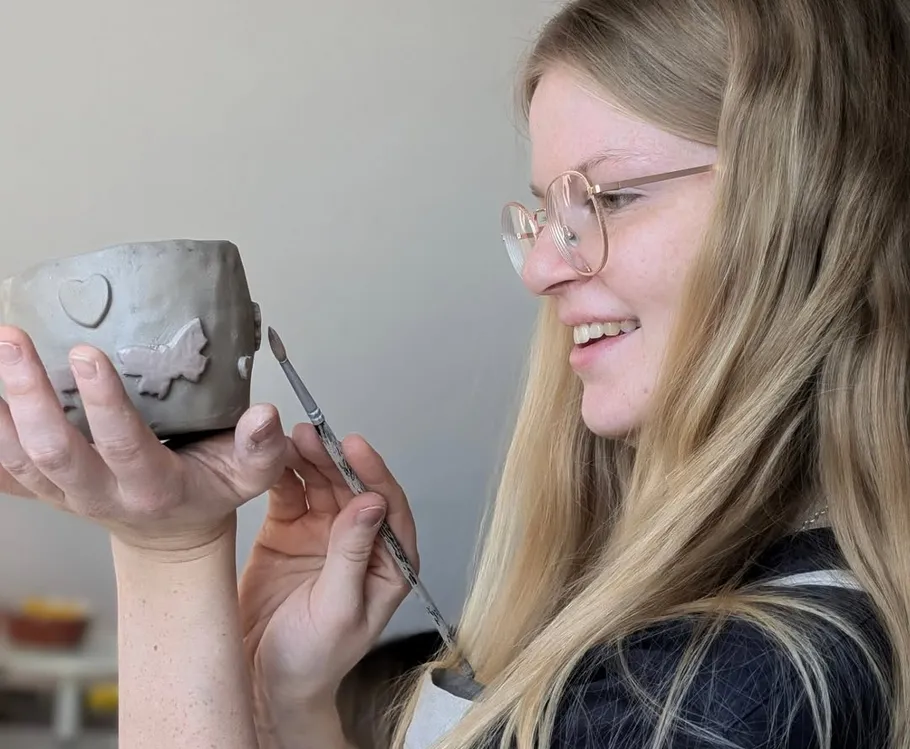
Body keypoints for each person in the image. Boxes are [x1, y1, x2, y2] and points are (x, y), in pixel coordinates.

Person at [0, 0, 906, 746]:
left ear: (812, 204)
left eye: (612, 197)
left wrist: (169, 553)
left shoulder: (730, 697)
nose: (541, 267)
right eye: (548, 212)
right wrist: (285, 695)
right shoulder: (722, 629)